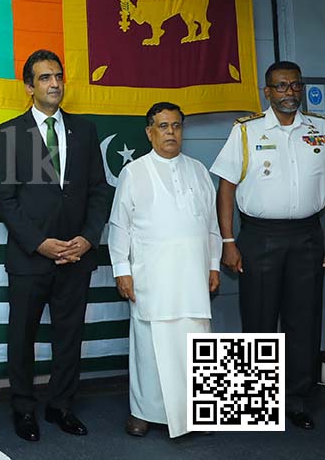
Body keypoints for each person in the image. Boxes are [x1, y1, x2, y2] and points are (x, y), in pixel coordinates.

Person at [0, 49, 111, 441]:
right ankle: (23, 409)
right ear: (28, 86)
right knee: (21, 337)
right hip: (31, 257)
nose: (54, 83)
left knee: (69, 336)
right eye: (44, 78)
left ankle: (61, 406)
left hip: (76, 256)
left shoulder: (85, 131)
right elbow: (5, 199)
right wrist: (39, 243)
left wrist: (88, 238)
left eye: (58, 76)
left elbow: (97, 191)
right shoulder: (9, 133)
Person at [210, 60, 325, 430]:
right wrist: (228, 240)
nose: (289, 93)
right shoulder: (246, 131)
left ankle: (296, 397)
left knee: (303, 318)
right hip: (259, 237)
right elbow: (226, 187)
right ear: (267, 91)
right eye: (280, 86)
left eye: (295, 86)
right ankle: (256, 400)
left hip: (309, 236)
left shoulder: (320, 130)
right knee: (258, 315)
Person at [109, 102, 221, 438]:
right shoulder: (134, 172)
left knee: (196, 345)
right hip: (151, 277)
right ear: (149, 132)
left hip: (193, 277)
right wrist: (121, 270)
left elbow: (212, 225)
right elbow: (119, 227)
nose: (170, 132)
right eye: (162, 126)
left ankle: (200, 412)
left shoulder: (199, 170)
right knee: (149, 347)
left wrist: (214, 265)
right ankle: (144, 413)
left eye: (176, 126)